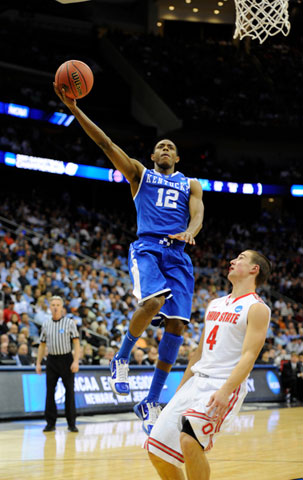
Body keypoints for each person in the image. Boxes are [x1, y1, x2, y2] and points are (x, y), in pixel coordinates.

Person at [54, 84, 204, 434]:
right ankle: (120, 358)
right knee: (152, 302)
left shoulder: (191, 184)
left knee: (177, 326)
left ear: (177, 158)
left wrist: (192, 230)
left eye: (171, 146)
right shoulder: (140, 174)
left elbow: (197, 213)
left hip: (179, 255)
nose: (165, 148)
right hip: (149, 247)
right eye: (159, 146)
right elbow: (106, 144)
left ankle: (150, 399)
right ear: (153, 156)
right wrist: (75, 110)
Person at [145, 250, 271, 480]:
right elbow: (199, 352)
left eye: (241, 258)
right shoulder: (215, 304)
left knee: (189, 441)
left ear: (255, 269)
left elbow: (250, 355)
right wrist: (180, 390)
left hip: (223, 385)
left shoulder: (257, 308)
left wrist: (225, 391)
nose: (232, 260)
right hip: (196, 381)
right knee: (156, 449)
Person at [35, 296, 80, 433]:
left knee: (70, 393)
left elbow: (76, 343)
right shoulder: (46, 324)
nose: (55, 307)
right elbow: (42, 345)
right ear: (50, 307)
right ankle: (50, 423)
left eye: (57, 305)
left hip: (66, 360)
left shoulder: (69, 323)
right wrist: (38, 362)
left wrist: (76, 360)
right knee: (49, 392)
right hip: (52, 361)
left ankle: (71, 423)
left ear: (62, 307)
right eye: (53, 304)